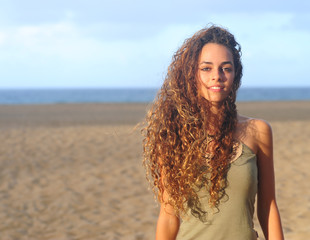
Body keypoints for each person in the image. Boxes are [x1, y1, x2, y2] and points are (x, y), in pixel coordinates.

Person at [142, 25, 284, 240]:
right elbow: (169, 216)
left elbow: (268, 206)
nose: (217, 76)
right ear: (191, 74)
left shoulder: (258, 131)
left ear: (235, 74)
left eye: (226, 68)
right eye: (206, 68)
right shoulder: (173, 135)